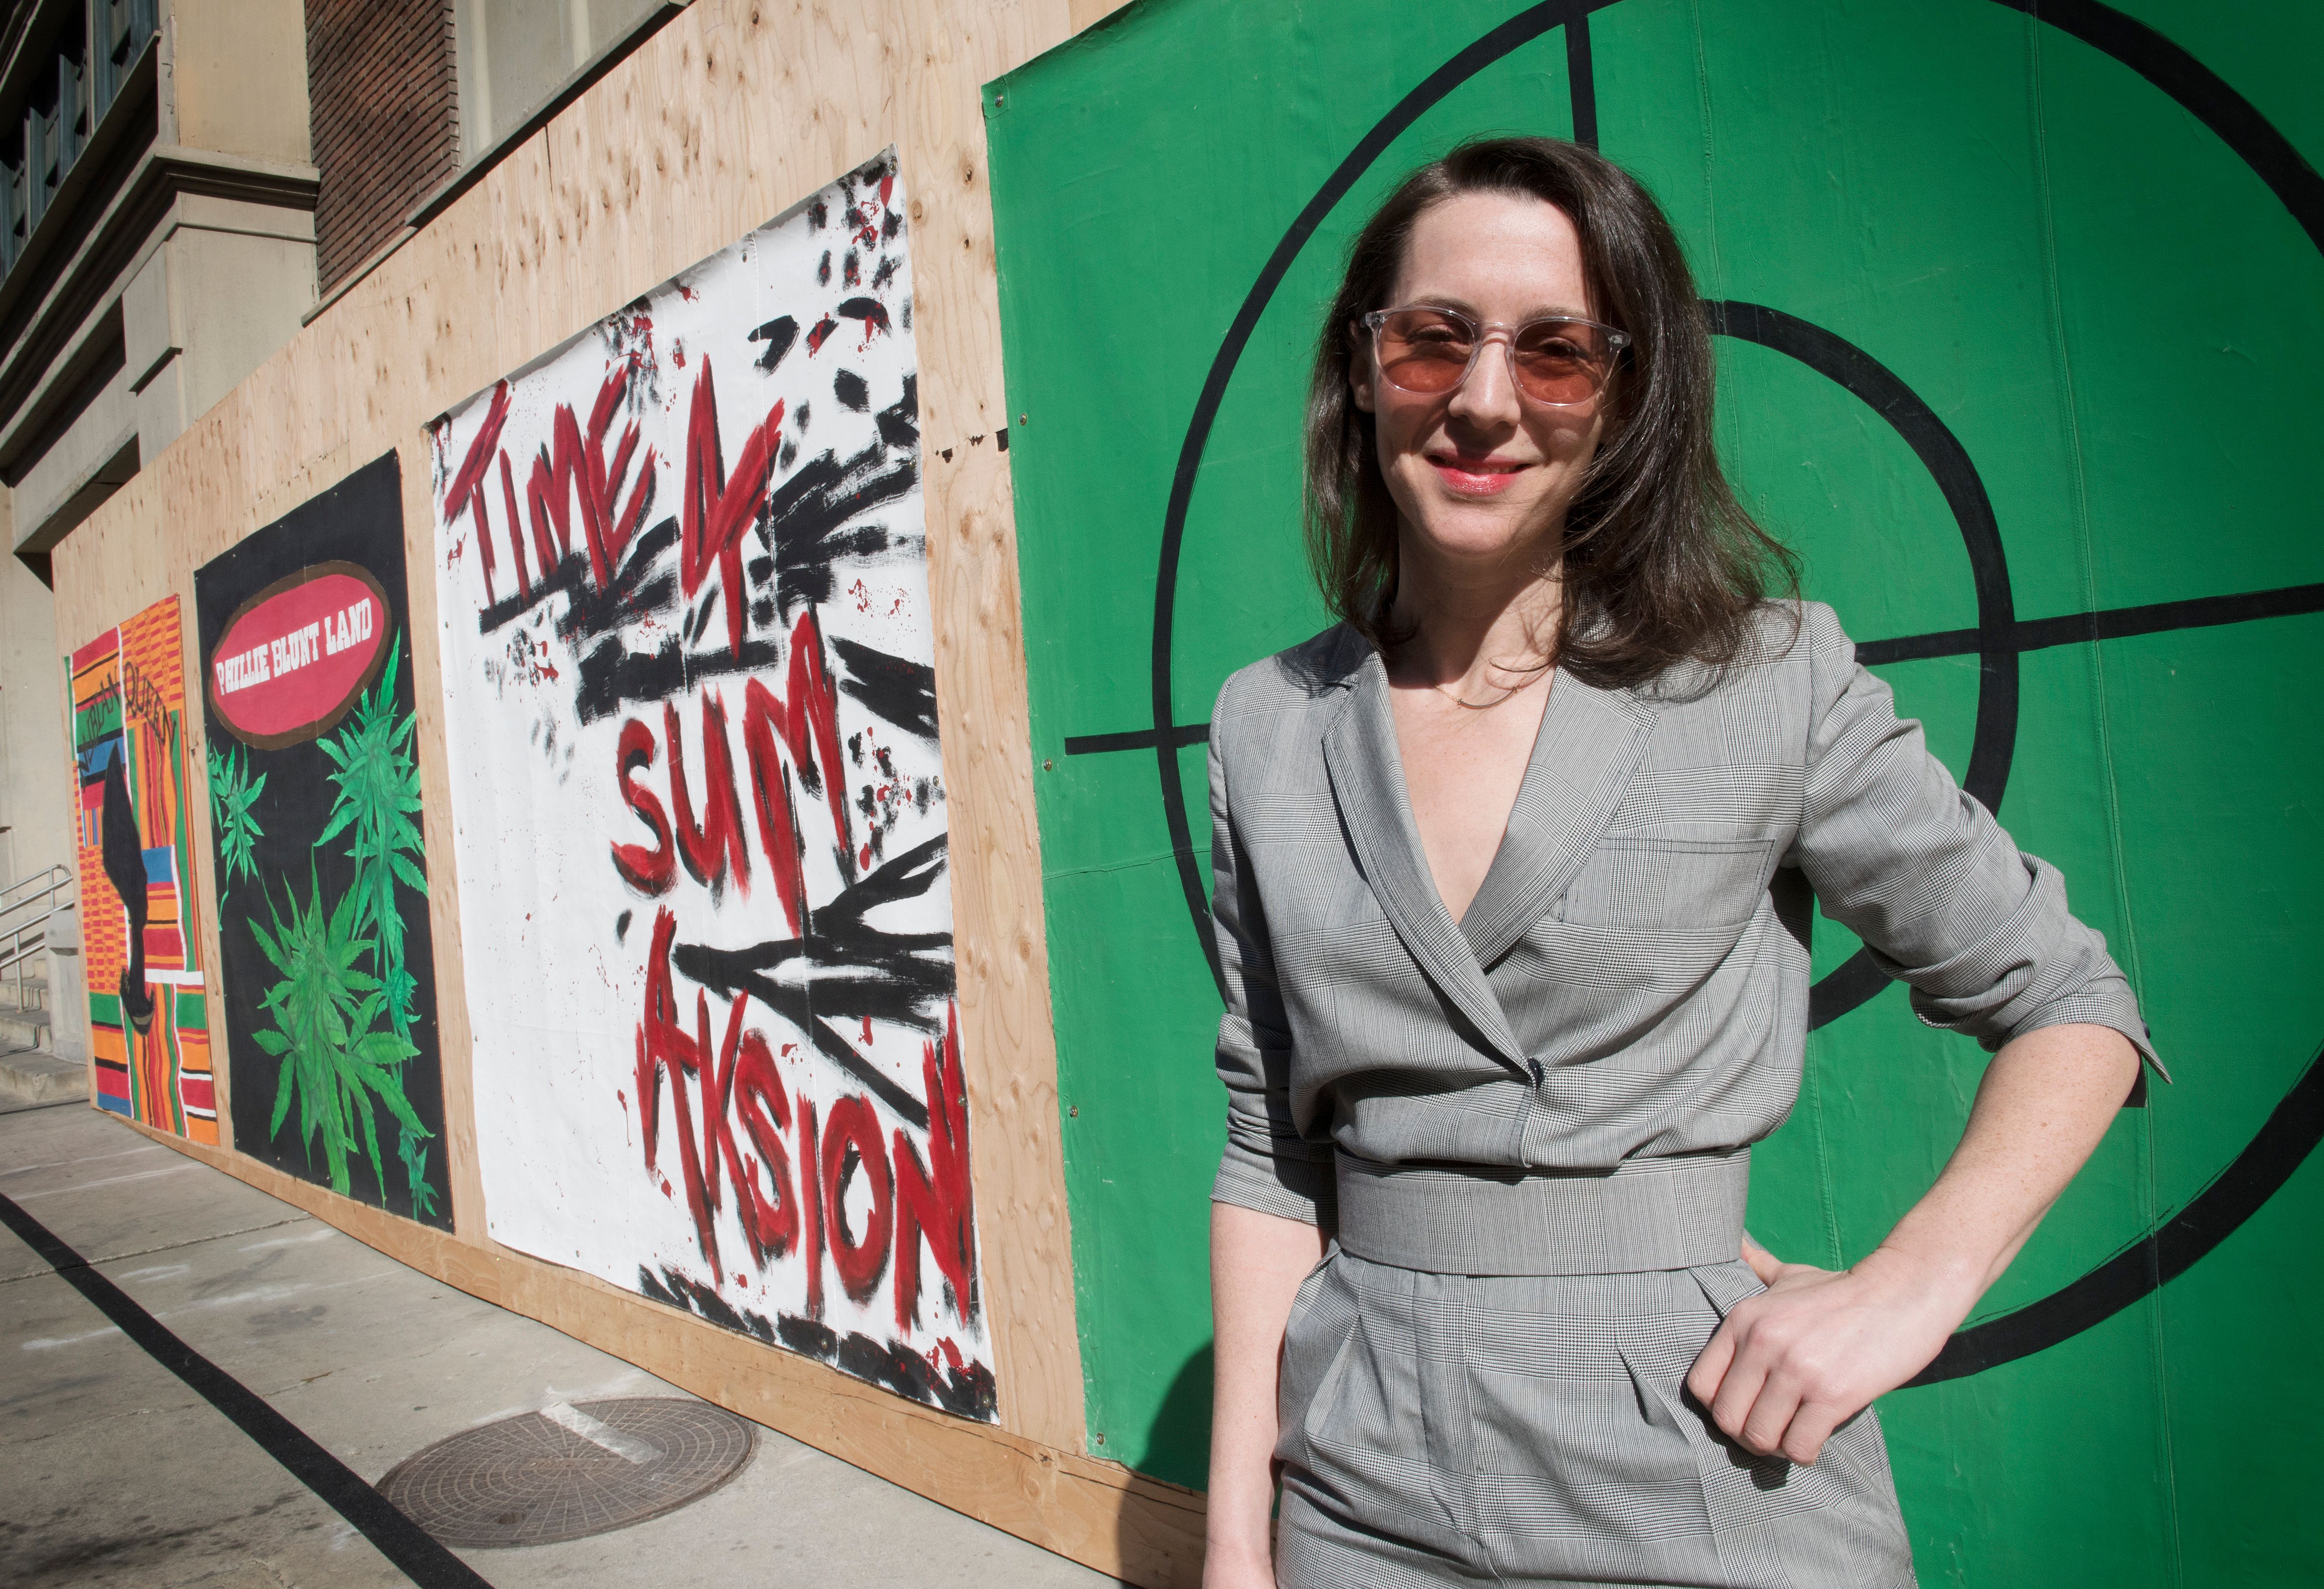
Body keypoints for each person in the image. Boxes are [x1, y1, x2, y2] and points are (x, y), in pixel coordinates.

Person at [1201, 136, 2159, 1589]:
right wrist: (1238, 1539)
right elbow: (1274, 1150)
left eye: (1558, 353)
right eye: (1433, 338)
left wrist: (1912, 1285)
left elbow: (2072, 1003)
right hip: (1357, 1474)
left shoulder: (1768, 682)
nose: (1482, 399)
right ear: (1364, 363)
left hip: (1699, 1446)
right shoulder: (1267, 724)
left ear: (1627, 396)